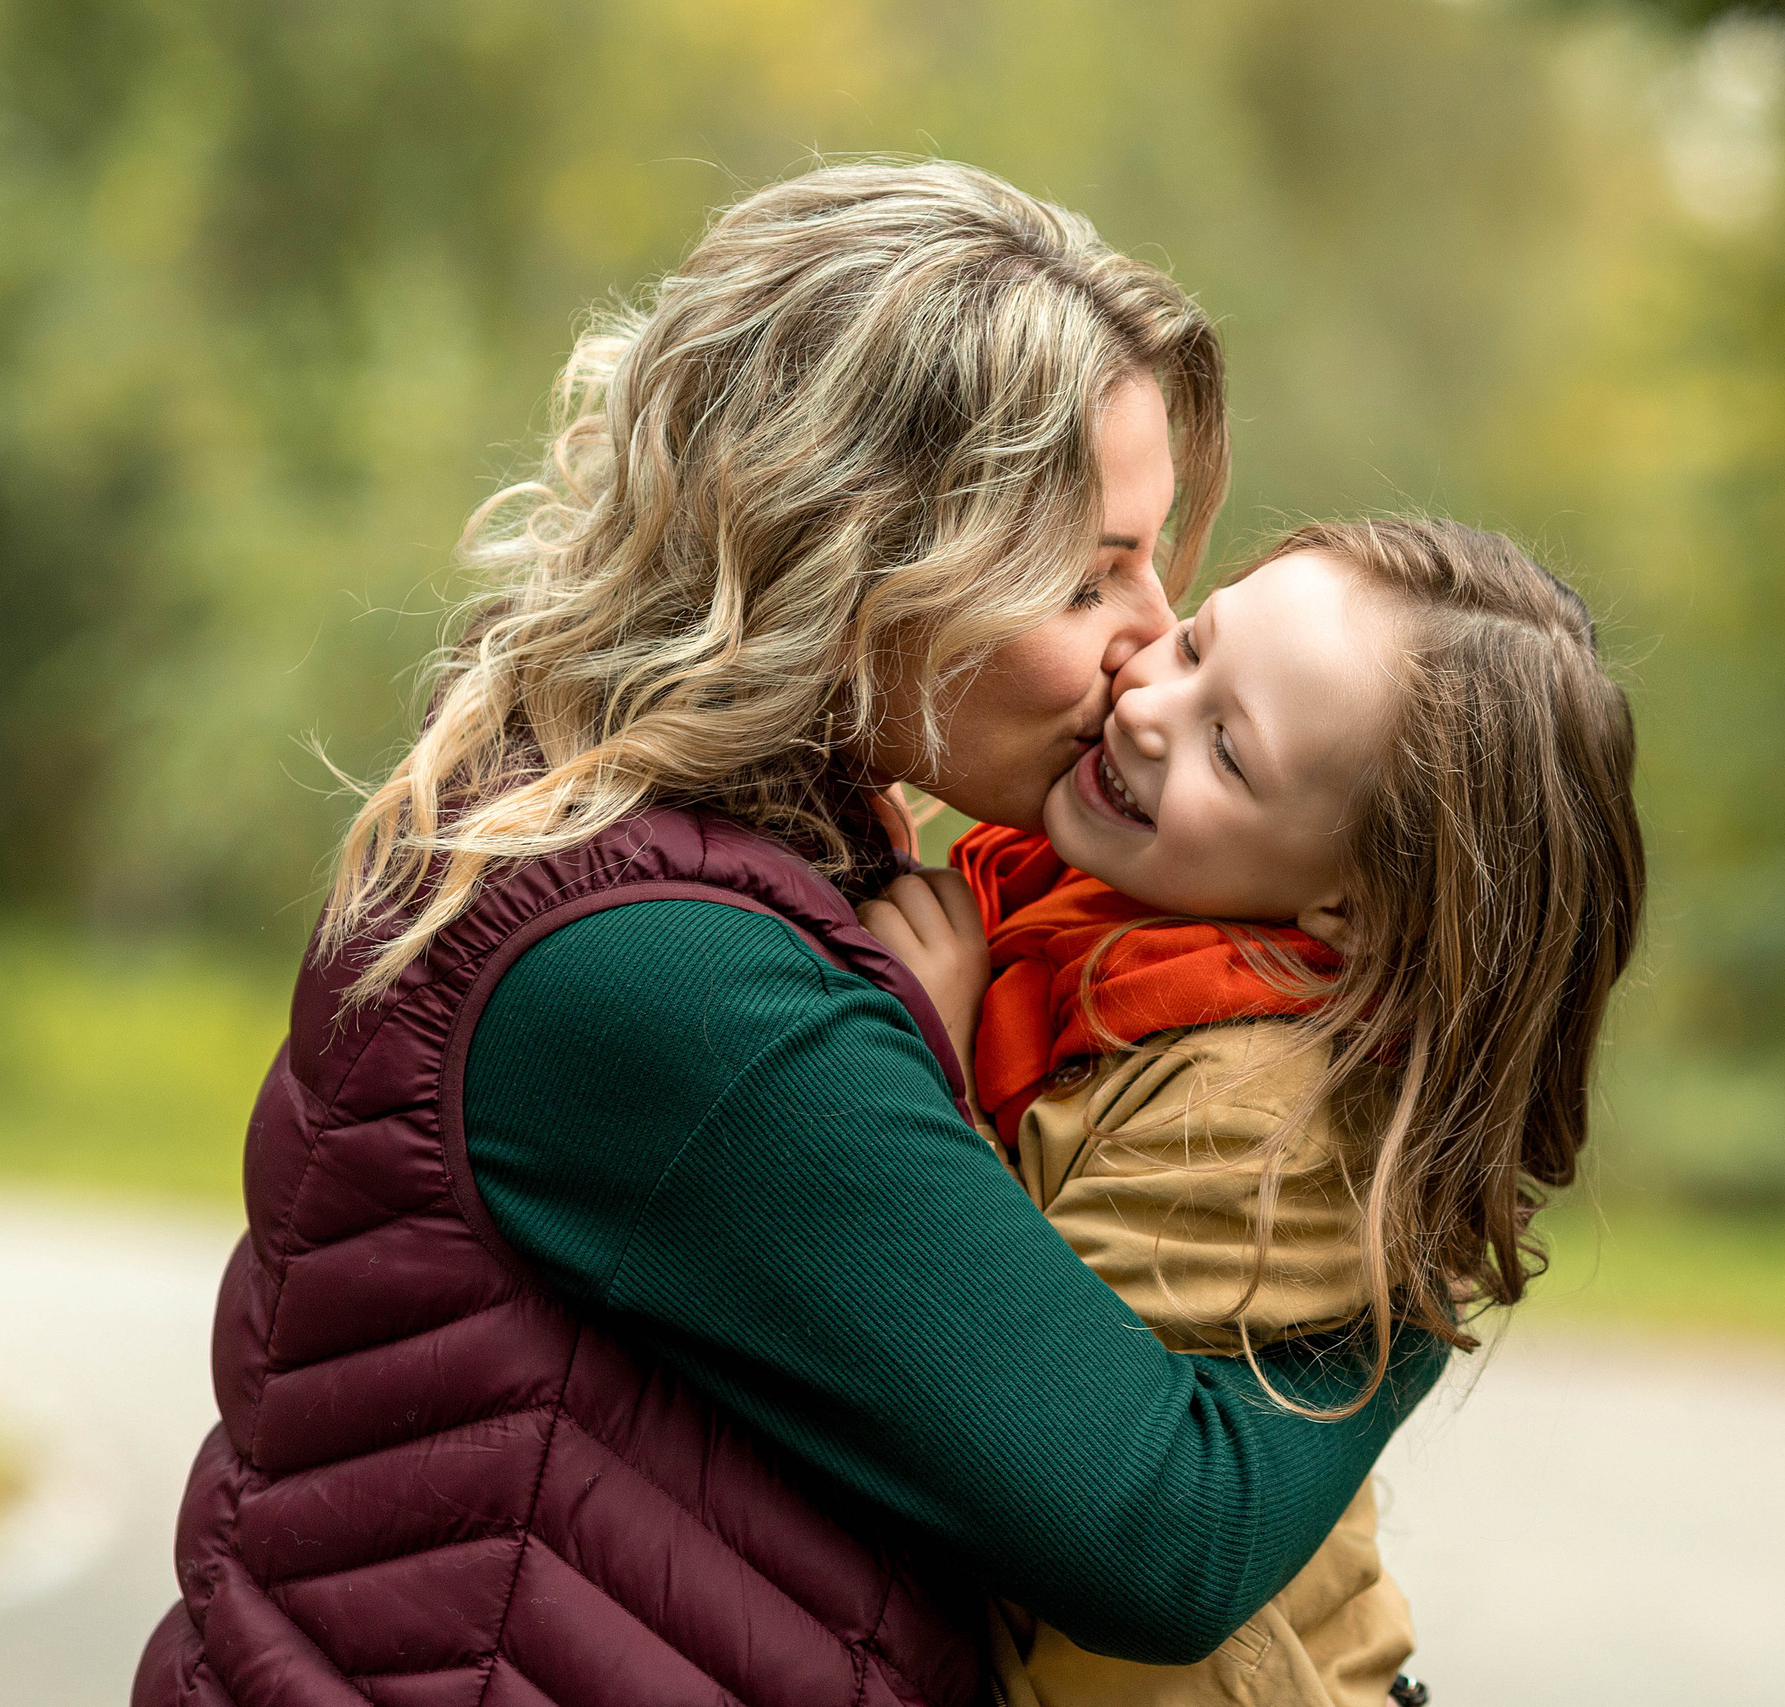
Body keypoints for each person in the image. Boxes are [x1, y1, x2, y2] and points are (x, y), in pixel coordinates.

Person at [135, 162, 1447, 1707]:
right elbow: (1165, 1530)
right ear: (860, 554)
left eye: (1153, 557)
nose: (1154, 632)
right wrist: (1436, 1193)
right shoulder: (665, 971)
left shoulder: (740, 843)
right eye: (1091, 573)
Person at [866, 518, 1647, 1707]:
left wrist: (920, 1068)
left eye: (1227, 751)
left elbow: (1028, 1397)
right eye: (1191, 644)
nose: (1145, 708)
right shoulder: (1084, 915)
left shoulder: (1258, 1111)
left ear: (1351, 906)